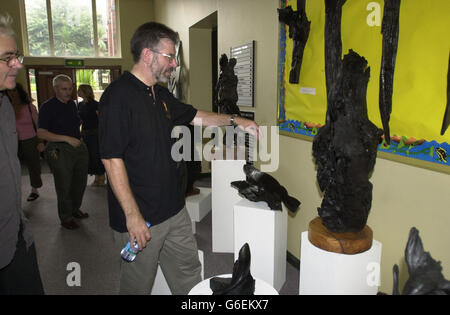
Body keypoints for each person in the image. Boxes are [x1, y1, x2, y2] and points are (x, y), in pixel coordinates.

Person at [99, 21, 260, 295]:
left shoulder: (160, 94)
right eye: (169, 56)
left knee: (189, 275)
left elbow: (196, 116)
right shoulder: (118, 97)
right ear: (148, 54)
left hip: (174, 210)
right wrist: (133, 216)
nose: (174, 64)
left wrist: (236, 120)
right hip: (142, 218)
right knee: (137, 286)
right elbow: (112, 160)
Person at [0, 12, 44, 294]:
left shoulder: (5, 103)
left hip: (15, 234)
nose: (17, 63)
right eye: (7, 57)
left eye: (17, 55)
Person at [37, 74, 89, 230]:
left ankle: (74, 209)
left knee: (80, 182)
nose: (68, 92)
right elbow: (41, 133)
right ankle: (66, 217)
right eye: (64, 89)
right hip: (59, 149)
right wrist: (66, 138)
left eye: (70, 88)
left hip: (78, 146)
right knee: (64, 184)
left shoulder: (72, 104)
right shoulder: (48, 106)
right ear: (55, 89)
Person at [7, 83, 44, 201]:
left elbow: (38, 125)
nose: (12, 94)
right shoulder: (6, 107)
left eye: (14, 91)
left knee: (33, 165)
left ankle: (34, 189)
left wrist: (40, 141)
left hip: (30, 140)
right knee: (12, 167)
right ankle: (13, 191)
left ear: (19, 92)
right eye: (9, 92)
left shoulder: (29, 107)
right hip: (12, 142)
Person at [77, 83, 106, 186]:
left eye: (79, 90)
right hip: (85, 133)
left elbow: (102, 119)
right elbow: (79, 119)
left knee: (96, 155)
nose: (78, 92)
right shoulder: (80, 104)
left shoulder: (95, 104)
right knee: (89, 156)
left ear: (85, 91)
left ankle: (101, 176)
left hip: (95, 133)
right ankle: (96, 177)